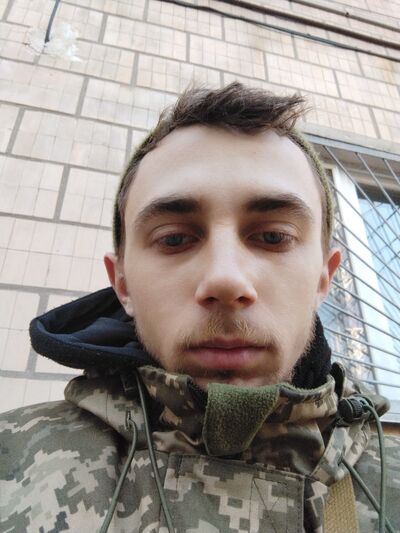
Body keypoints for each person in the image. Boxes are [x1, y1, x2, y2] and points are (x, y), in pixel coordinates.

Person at [0, 83, 398, 533]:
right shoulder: (12, 465)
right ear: (122, 283)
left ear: (324, 277)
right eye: (174, 238)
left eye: (273, 236)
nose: (225, 279)